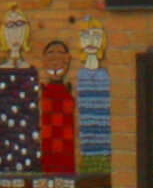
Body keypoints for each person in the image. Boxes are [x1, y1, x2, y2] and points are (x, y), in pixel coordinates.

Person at [0, 6, 41, 172]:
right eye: (11, 26)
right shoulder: (1, 72)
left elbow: (31, 112)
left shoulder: (30, 71)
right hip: (7, 136)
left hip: (27, 136)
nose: (15, 33)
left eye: (20, 25)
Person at [37, 36, 79, 176]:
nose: (55, 64)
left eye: (60, 56)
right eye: (50, 57)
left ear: (67, 60)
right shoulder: (45, 91)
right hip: (48, 143)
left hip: (66, 145)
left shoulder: (67, 89)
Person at [75, 25, 112, 177]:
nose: (90, 42)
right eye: (85, 36)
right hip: (87, 135)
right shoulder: (81, 75)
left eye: (96, 37)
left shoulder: (104, 76)